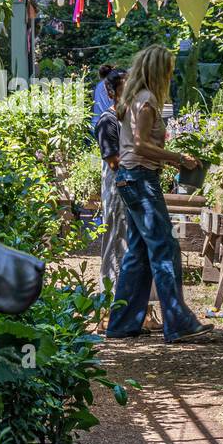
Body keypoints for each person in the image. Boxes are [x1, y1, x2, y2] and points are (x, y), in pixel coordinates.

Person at [106, 45, 212, 343]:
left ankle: (122, 323)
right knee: (165, 248)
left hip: (130, 179)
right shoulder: (147, 100)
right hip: (140, 179)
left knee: (139, 252)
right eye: (168, 68)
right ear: (157, 70)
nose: (170, 73)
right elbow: (140, 145)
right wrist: (178, 158)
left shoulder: (133, 98)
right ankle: (178, 321)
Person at [94, 67, 128, 291]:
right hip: (119, 188)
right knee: (116, 240)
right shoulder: (108, 121)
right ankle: (110, 299)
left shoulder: (132, 119)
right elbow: (113, 161)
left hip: (131, 186)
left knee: (129, 242)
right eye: (125, 90)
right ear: (112, 93)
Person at [91, 63, 117, 130]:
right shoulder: (113, 84)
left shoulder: (97, 87)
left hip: (94, 124)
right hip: (108, 124)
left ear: (100, 75)